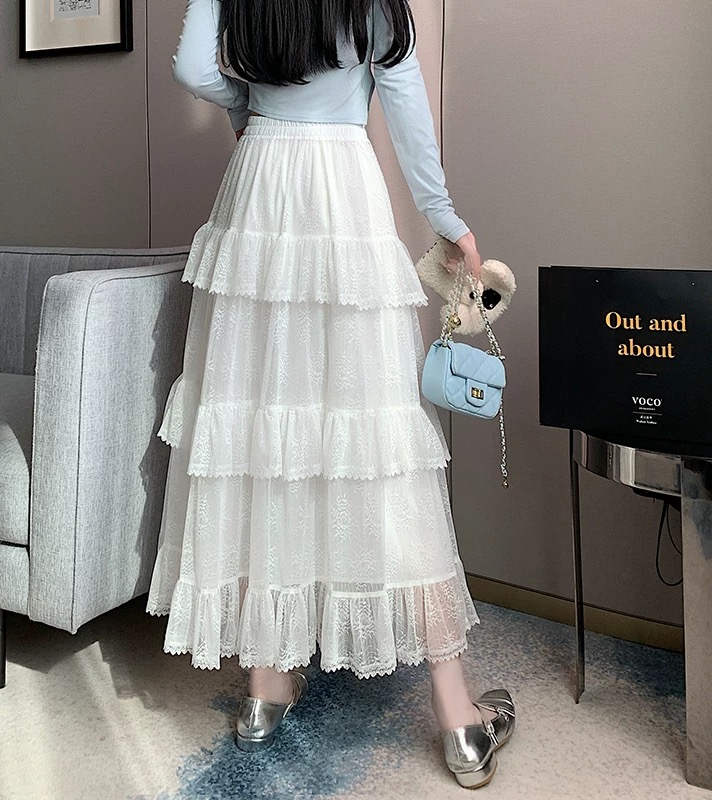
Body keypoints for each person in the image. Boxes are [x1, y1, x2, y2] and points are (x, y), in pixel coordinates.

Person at [146, 0, 515, 789]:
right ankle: (458, 720)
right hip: (342, 187)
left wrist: (250, 111)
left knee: (262, 434)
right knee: (375, 444)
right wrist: (447, 220)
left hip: (259, 184)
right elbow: (404, 100)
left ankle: (265, 687)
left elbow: (190, 66)